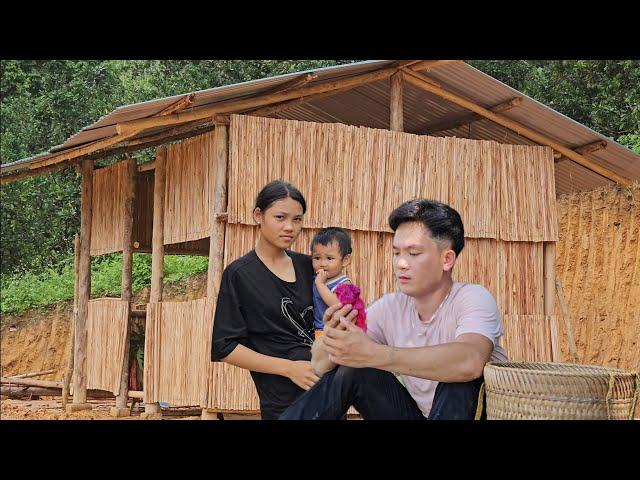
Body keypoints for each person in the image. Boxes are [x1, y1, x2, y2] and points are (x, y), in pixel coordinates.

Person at [280, 198, 508, 420]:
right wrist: (333, 335)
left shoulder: (473, 298)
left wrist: (374, 353)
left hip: (464, 411)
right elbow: (320, 366)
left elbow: (470, 361)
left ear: (446, 259)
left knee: (460, 380)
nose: (400, 263)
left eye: (414, 253)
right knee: (353, 369)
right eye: (397, 253)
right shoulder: (389, 308)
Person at [211, 180, 319, 420]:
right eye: (280, 217)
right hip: (283, 405)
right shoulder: (240, 274)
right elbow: (224, 347)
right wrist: (289, 368)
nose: (290, 227)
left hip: (327, 391)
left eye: (297, 219)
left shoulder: (308, 266)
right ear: (258, 215)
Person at [311, 227, 352, 338]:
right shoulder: (317, 277)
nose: (322, 263)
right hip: (319, 329)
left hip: (337, 331)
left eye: (329, 258)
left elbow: (337, 303)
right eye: (317, 258)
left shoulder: (344, 284)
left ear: (345, 260)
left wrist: (320, 284)